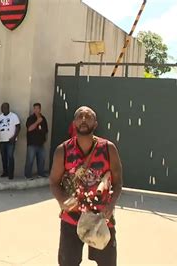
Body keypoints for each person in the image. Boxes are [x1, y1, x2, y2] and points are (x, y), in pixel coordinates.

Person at [49, 106, 123, 266]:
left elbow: (118, 183)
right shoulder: (63, 151)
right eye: (80, 116)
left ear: (95, 123)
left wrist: (110, 205)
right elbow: (54, 182)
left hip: (102, 219)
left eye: (88, 117)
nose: (83, 119)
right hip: (71, 219)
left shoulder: (108, 148)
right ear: (74, 123)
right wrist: (62, 200)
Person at [0, 102, 20, 180]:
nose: (2, 109)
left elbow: (18, 127)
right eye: (2, 107)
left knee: (10, 157)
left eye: (4, 107)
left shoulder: (14, 116)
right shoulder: (0, 117)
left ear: (8, 108)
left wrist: (14, 137)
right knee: (3, 157)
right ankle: (5, 172)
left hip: (10, 140)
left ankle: (11, 174)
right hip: (2, 140)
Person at [24, 103, 48, 179]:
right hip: (32, 143)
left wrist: (45, 139)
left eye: (38, 108)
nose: (36, 110)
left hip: (41, 143)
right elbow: (29, 129)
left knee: (41, 159)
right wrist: (37, 122)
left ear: (40, 109)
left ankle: (41, 173)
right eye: (35, 108)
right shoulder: (30, 118)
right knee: (30, 160)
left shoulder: (43, 118)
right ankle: (27, 175)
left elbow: (46, 130)